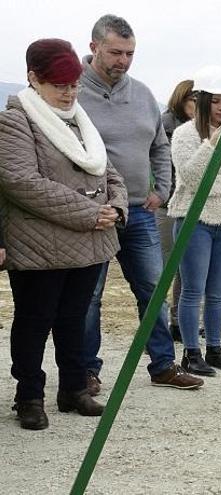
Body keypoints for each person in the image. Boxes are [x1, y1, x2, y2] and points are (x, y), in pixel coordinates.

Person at [0, 39, 127, 429]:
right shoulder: (15, 121)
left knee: (75, 319)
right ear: (33, 79)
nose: (69, 92)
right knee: (35, 321)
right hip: (40, 245)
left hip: (89, 243)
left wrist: (118, 205)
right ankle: (29, 396)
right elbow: (21, 182)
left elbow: (107, 170)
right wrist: (91, 213)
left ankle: (74, 388)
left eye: (73, 84)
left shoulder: (79, 119)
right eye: (60, 86)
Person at [78, 14, 203, 392]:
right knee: (90, 297)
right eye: (115, 52)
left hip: (139, 212)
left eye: (130, 53)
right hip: (94, 214)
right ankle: (86, 370)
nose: (123, 61)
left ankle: (163, 364)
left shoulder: (143, 94)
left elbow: (159, 146)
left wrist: (161, 190)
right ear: (94, 47)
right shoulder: (72, 92)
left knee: (153, 288)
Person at [168, 65, 221, 376]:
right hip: (194, 220)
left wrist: (211, 185)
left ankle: (214, 347)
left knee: (218, 290)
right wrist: (212, 145)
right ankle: (191, 352)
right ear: (203, 101)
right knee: (193, 289)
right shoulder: (184, 134)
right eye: (216, 101)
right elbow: (190, 176)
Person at [157, 79, 195, 342]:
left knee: (186, 270)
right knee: (160, 272)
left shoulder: (203, 130)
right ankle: (154, 329)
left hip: (191, 208)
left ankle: (178, 323)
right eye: (194, 100)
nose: (198, 105)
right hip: (165, 205)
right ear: (181, 99)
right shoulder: (163, 125)